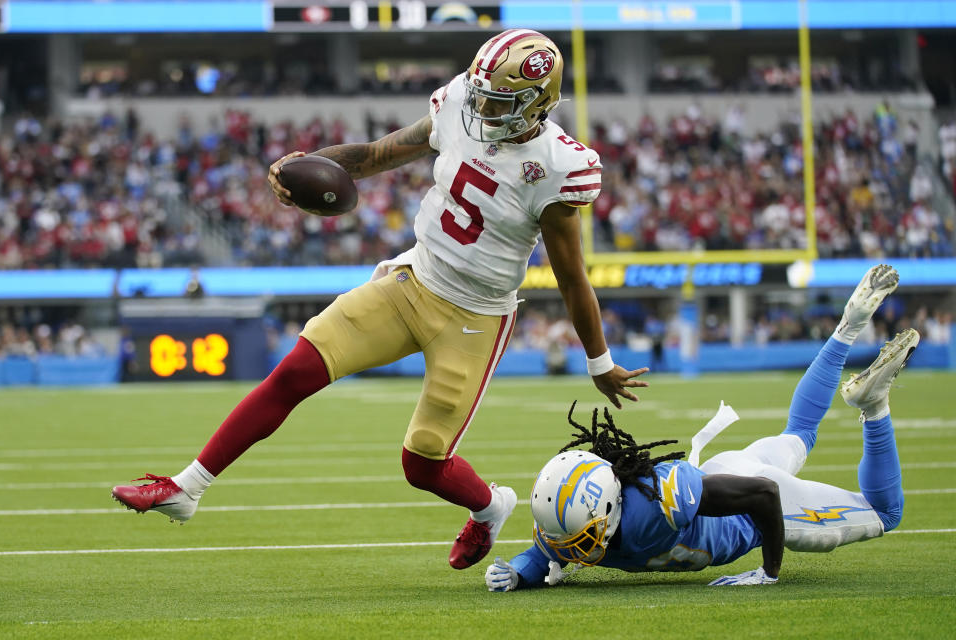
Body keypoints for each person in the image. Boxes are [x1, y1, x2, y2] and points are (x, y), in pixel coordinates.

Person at [111, 29, 649, 571]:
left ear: (538, 100)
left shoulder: (558, 165)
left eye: (499, 100)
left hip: (476, 317)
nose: (482, 107)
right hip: (412, 281)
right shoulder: (460, 102)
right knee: (294, 372)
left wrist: (598, 361)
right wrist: (308, 162)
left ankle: (489, 509)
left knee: (421, 464)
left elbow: (572, 277)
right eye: (481, 93)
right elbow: (374, 155)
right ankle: (187, 487)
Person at [486, 264, 916, 589]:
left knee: (886, 514)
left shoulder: (659, 501)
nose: (567, 548)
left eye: (576, 538)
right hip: (725, 469)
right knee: (799, 433)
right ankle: (849, 325)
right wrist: (518, 574)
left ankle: (873, 407)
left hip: (754, 505)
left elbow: (765, 495)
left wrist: (768, 572)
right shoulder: (578, 515)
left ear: (611, 510)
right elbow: (542, 553)